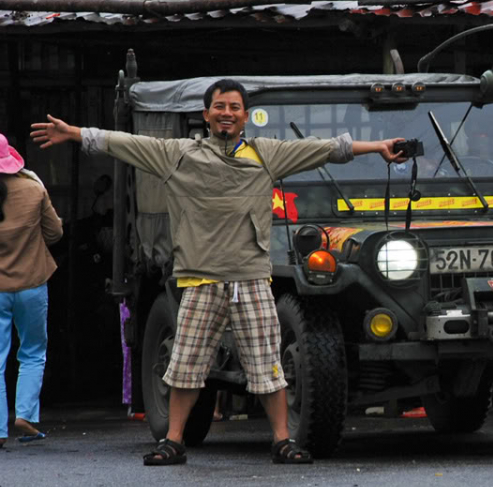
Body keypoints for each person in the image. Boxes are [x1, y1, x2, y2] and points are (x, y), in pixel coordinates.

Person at [31, 78, 407, 466]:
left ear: (245, 116)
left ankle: (282, 440)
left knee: (268, 367)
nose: (226, 113)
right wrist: (74, 133)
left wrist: (378, 147)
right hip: (200, 279)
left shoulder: (267, 154)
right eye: (219, 106)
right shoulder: (177, 154)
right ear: (206, 114)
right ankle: (173, 441)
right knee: (185, 366)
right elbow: (124, 143)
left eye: (234, 107)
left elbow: (326, 149)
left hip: (251, 279)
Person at [0, 133, 63, 448]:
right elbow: (55, 232)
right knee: (33, 352)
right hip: (32, 285)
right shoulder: (33, 188)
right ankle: (25, 415)